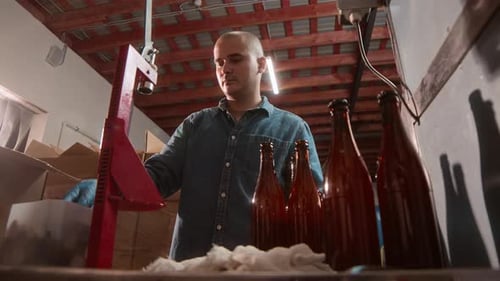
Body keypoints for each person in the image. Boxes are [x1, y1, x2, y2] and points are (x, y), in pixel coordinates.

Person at [64, 31, 324, 262]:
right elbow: (157, 177)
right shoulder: (195, 125)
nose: (225, 69)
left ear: (261, 65)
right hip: (190, 268)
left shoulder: (292, 129)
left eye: (235, 59)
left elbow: (311, 206)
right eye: (219, 62)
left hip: (255, 270)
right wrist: (106, 186)